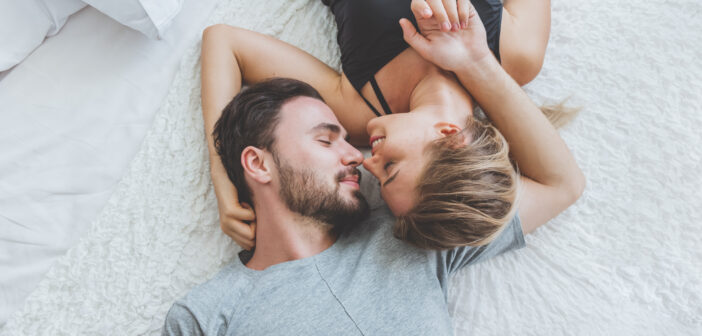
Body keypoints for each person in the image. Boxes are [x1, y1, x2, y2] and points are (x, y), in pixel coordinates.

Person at [200, 0, 584, 251]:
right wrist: (476, 59)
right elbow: (567, 184)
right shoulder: (516, 56)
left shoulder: (358, 111)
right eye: (391, 168)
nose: (367, 162)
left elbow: (224, 42)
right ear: (449, 137)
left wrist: (224, 181)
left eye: (378, 177)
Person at [162, 77, 526, 335]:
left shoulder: (413, 232)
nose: (357, 155)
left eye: (348, 142)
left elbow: (561, 184)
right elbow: (224, 38)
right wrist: (222, 181)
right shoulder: (204, 316)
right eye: (325, 140)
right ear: (258, 164)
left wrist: (476, 61)